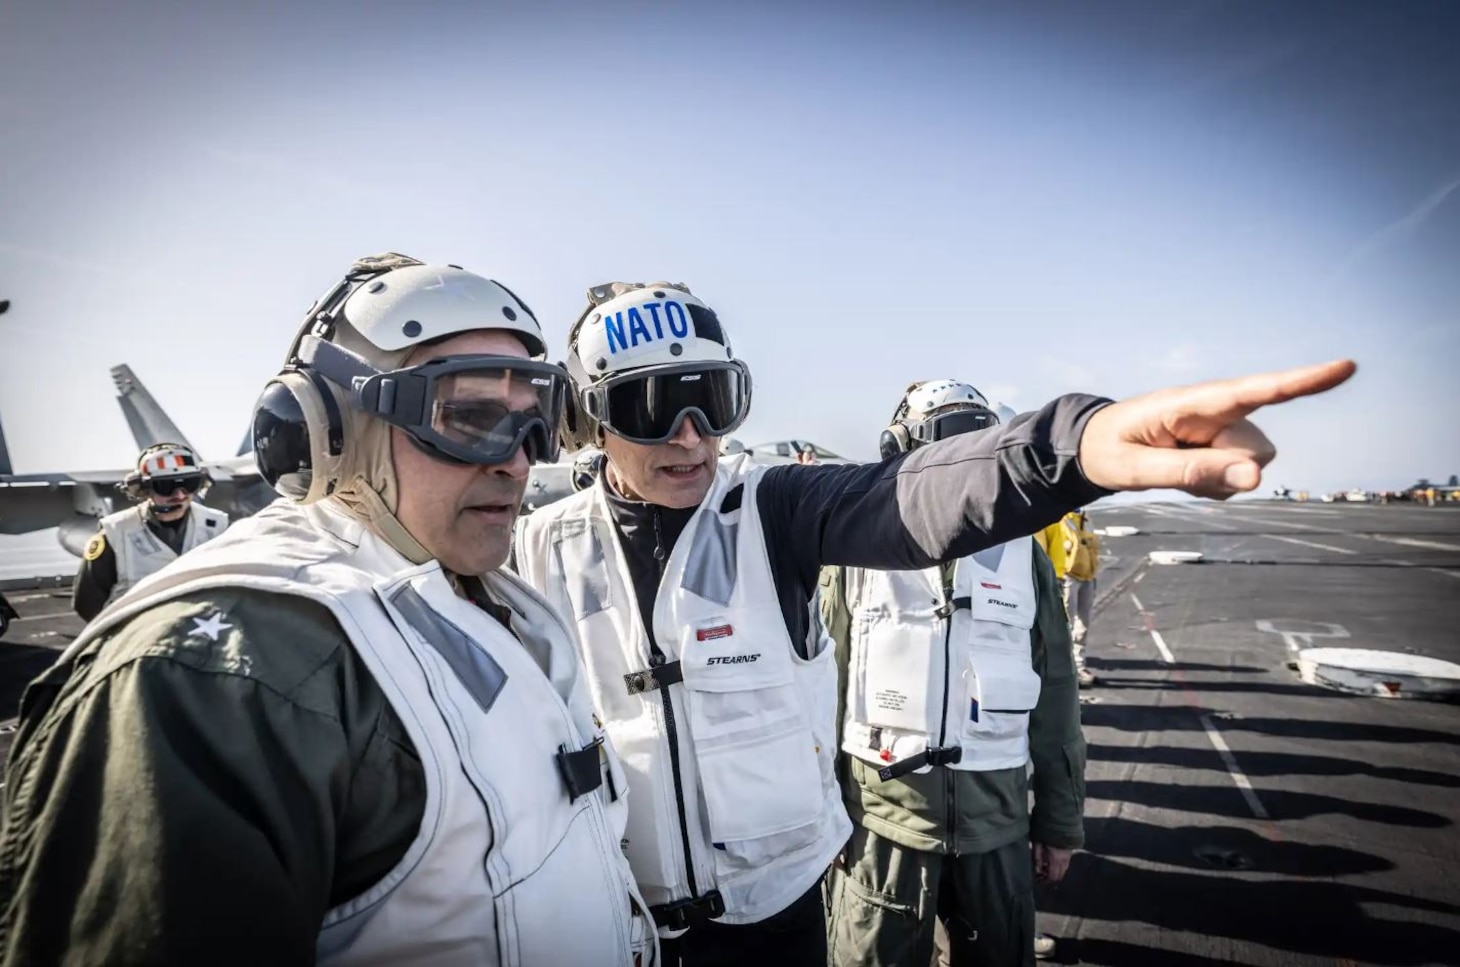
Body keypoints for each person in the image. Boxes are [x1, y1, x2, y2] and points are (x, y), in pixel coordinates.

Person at [512, 279, 1355, 966]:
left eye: (712, 401)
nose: (692, 438)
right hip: (616, 920)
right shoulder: (540, 545)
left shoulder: (769, 510)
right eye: (655, 405)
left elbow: (906, 493)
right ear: (590, 417)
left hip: (775, 918)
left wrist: (1074, 447)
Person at [0, 253, 656, 966]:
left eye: (538, 421)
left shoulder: (485, 597)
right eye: (470, 416)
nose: (519, 462)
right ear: (325, 431)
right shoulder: (205, 678)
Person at [818, 379, 1083, 967]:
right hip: (884, 830)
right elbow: (823, 683)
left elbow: (1057, 691)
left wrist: (1060, 823)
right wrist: (821, 815)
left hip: (999, 828)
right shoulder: (854, 553)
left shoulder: (1024, 556)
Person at [71, 442, 229, 620]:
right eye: (166, 486)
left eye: (188, 484)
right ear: (144, 490)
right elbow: (87, 602)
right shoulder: (115, 533)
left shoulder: (219, 526)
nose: (180, 495)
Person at [1060, 508, 1100, 687]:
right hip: (1070, 576)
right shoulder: (1061, 519)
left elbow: (1093, 546)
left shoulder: (1086, 519)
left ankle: (1079, 665)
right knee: (1065, 624)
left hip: (1088, 576)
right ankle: (1064, 669)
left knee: (1083, 624)